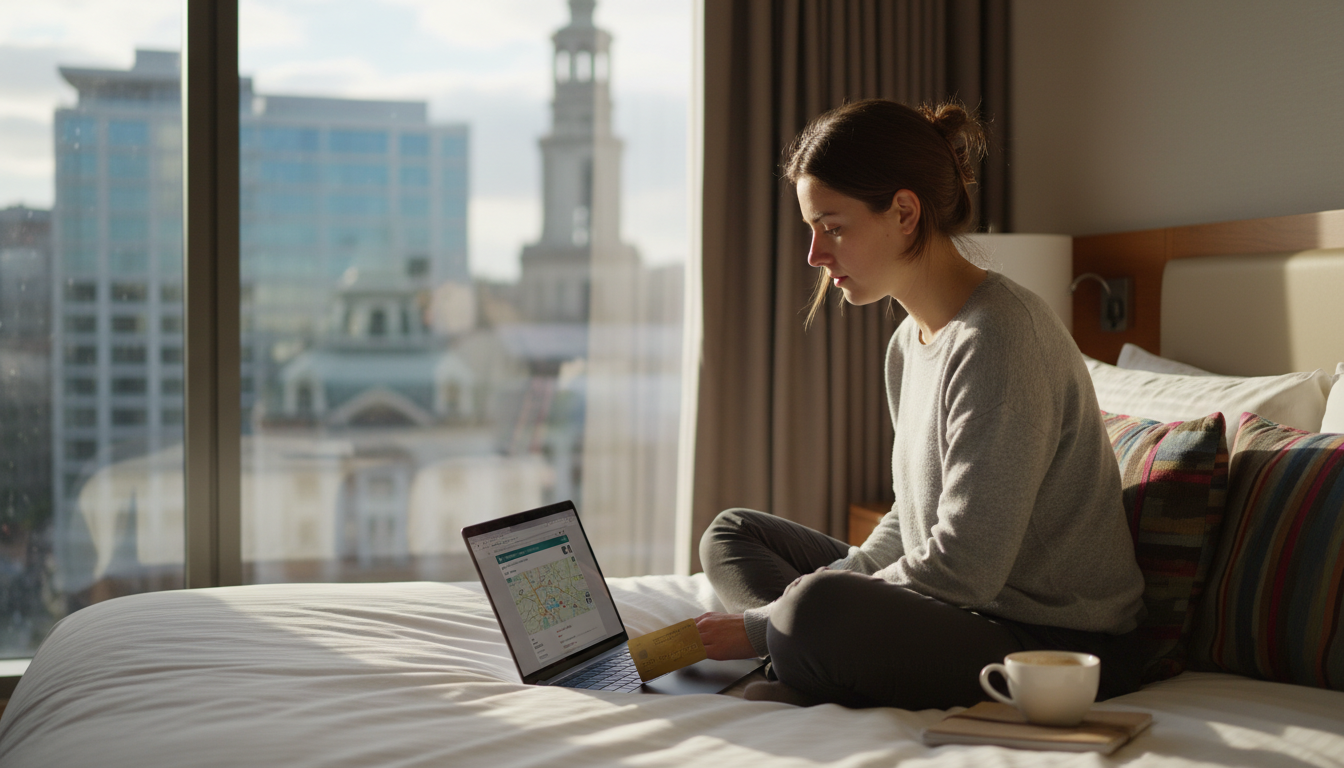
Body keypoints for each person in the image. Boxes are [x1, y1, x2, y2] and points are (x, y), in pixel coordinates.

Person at [694, 99, 1146, 710]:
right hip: (962, 609)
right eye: (811, 229)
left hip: (1049, 643)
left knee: (814, 609)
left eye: (832, 226)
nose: (815, 256)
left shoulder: (1001, 338)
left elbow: (965, 567)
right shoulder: (908, 343)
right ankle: (797, 650)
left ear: (904, 212)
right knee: (733, 534)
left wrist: (769, 619)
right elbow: (909, 521)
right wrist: (823, 590)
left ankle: (795, 647)